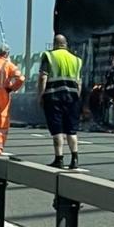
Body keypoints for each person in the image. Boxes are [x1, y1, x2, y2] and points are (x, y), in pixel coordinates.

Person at [37, 35, 82, 169]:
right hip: (72, 98)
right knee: (71, 131)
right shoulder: (76, 60)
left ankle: (59, 159)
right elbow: (79, 82)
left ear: (54, 44)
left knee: (57, 130)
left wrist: (40, 95)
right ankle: (74, 159)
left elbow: (43, 77)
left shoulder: (49, 56)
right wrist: (77, 96)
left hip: (53, 97)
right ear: (66, 44)